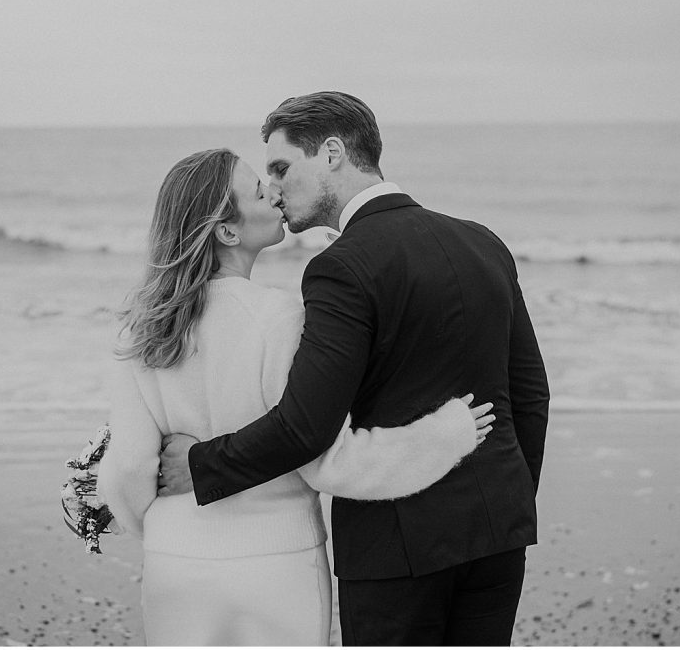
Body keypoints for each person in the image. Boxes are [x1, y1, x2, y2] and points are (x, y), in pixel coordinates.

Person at [157, 92, 550, 646]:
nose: (272, 187)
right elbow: (531, 394)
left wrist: (200, 466)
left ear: (333, 153)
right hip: (500, 537)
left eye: (281, 166)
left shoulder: (341, 268)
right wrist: (512, 499)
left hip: (397, 548)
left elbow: (305, 426)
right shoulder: (482, 241)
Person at [96, 147, 495, 646]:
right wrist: (445, 435)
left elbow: (130, 466)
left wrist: (162, 530)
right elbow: (328, 459)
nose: (275, 193)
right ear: (227, 231)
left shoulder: (140, 331)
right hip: (276, 565)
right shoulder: (280, 319)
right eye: (260, 191)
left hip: (173, 564)